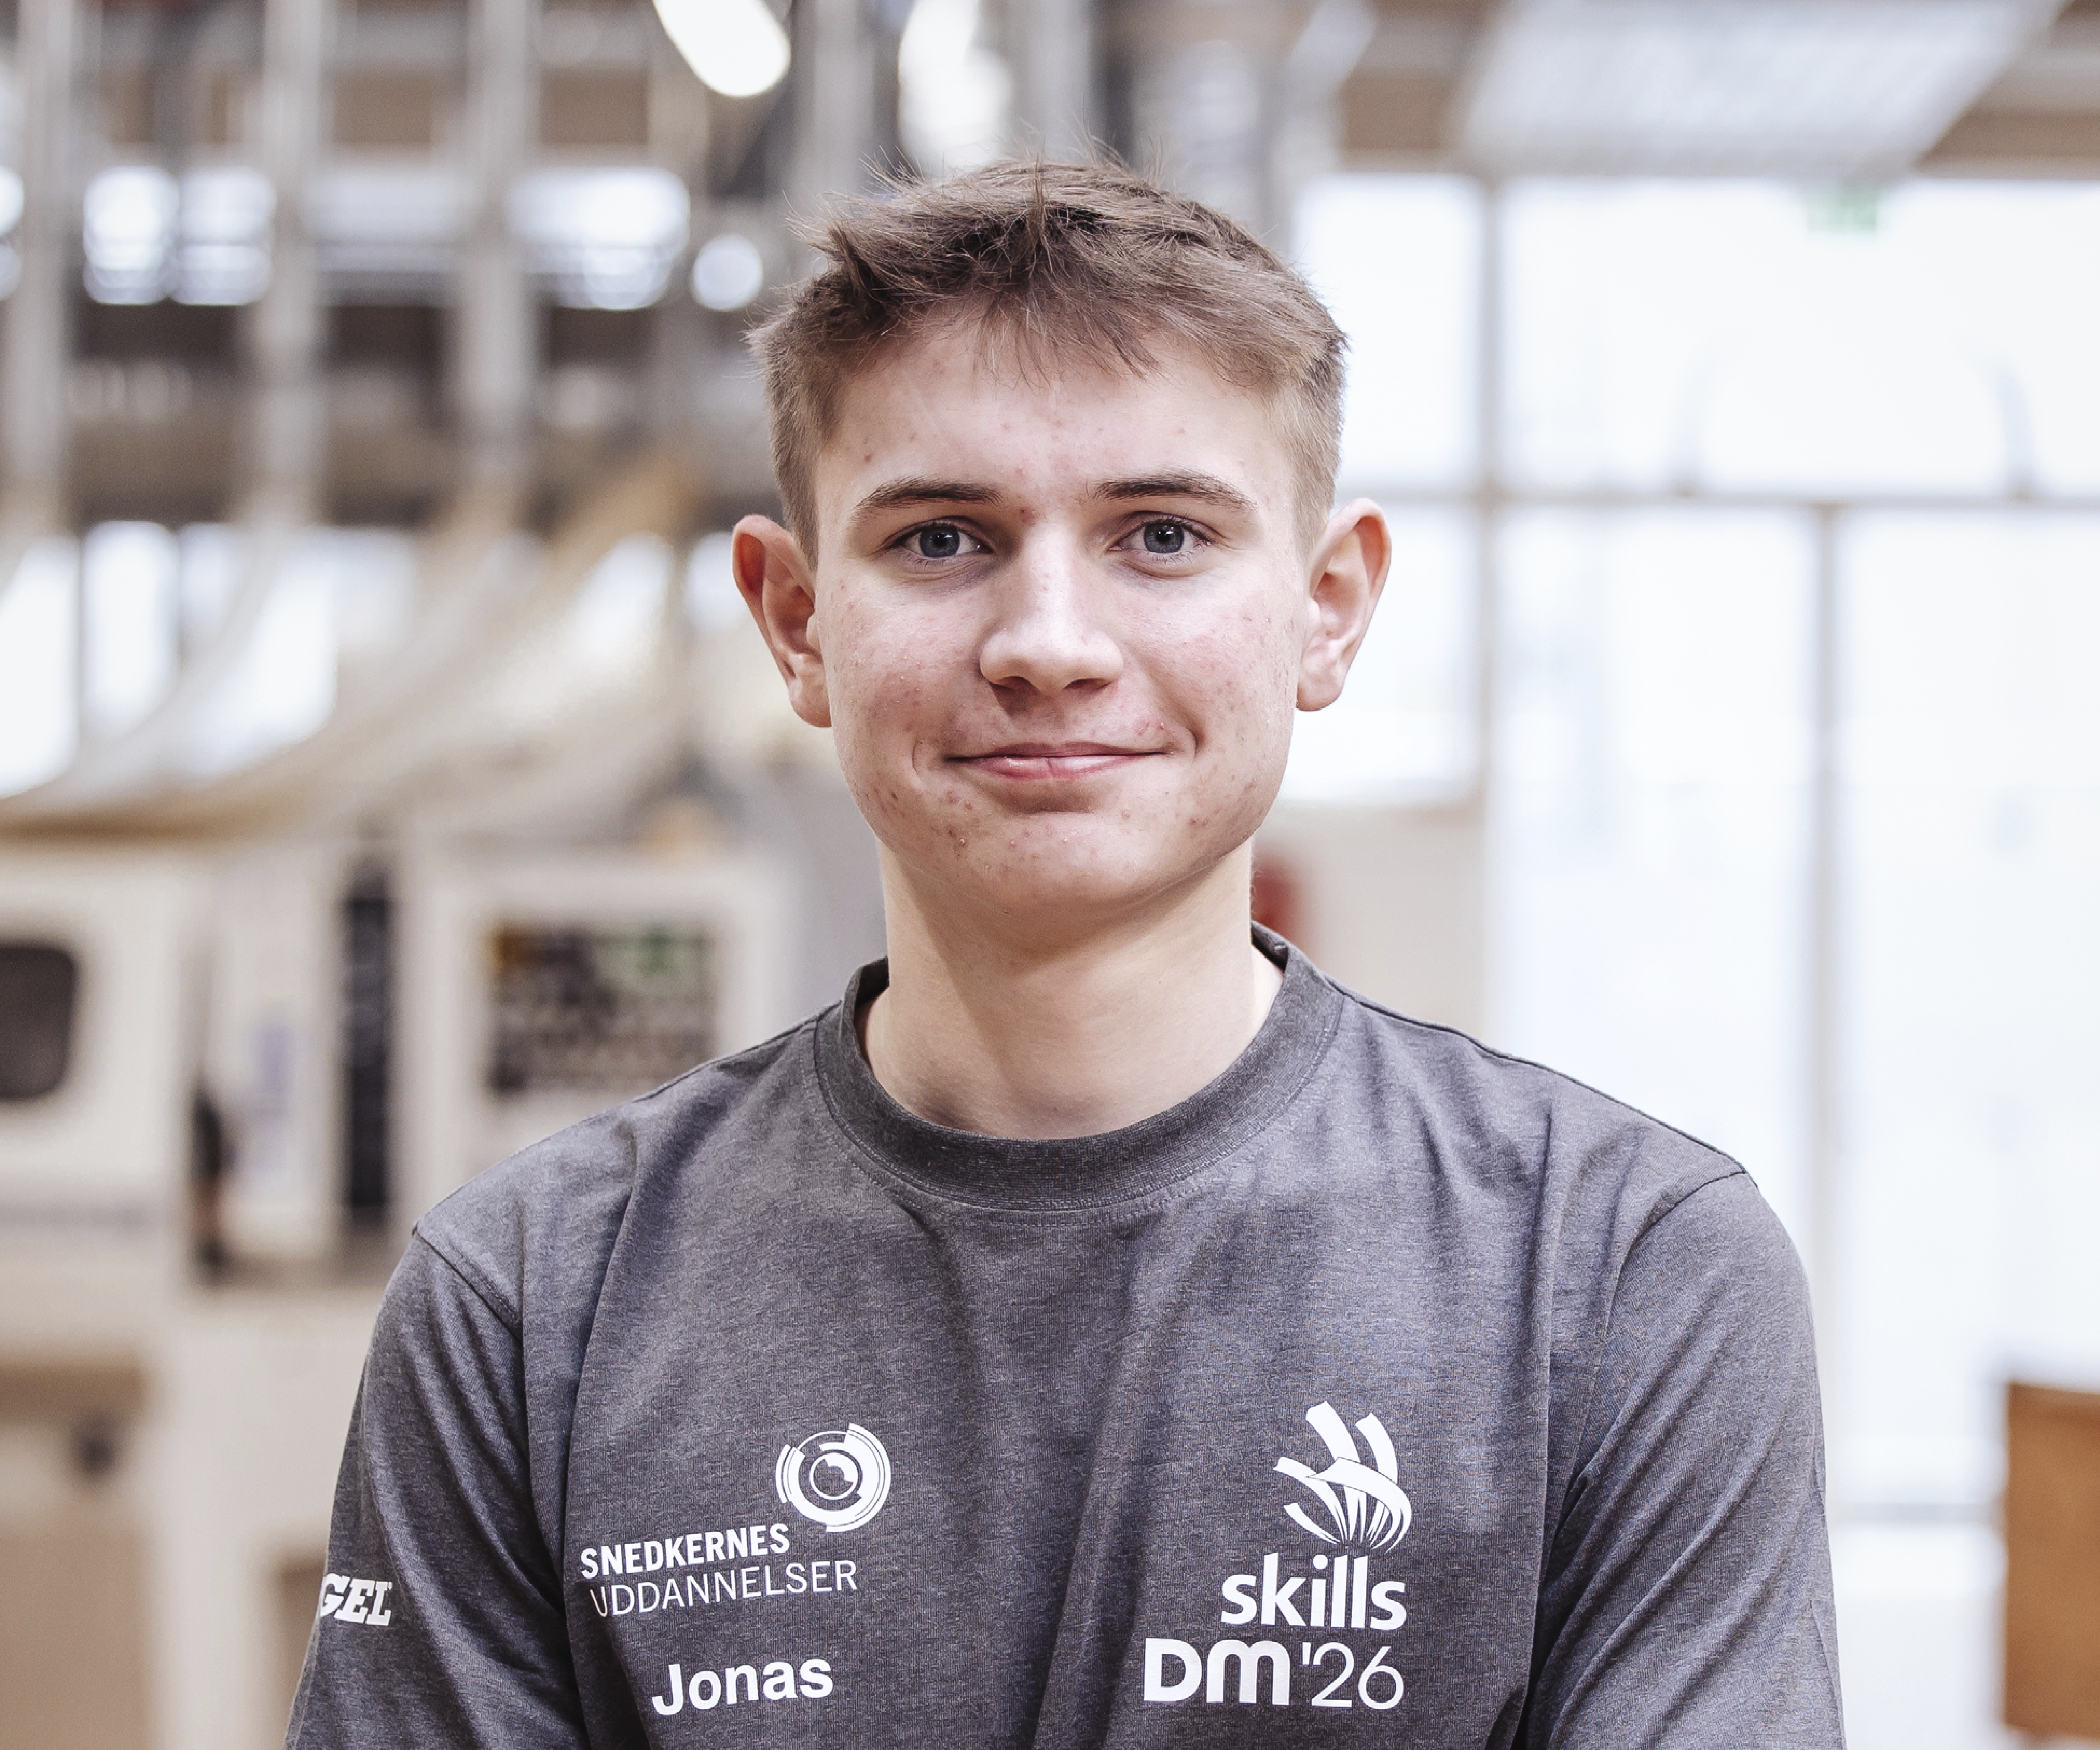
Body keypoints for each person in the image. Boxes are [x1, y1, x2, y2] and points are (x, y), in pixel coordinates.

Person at [288, 161, 1842, 1748]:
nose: (1048, 643)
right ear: (797, 621)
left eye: (1159, 535)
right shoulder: (532, 1302)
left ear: (1324, 609)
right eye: (941, 539)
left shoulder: (1617, 1273)